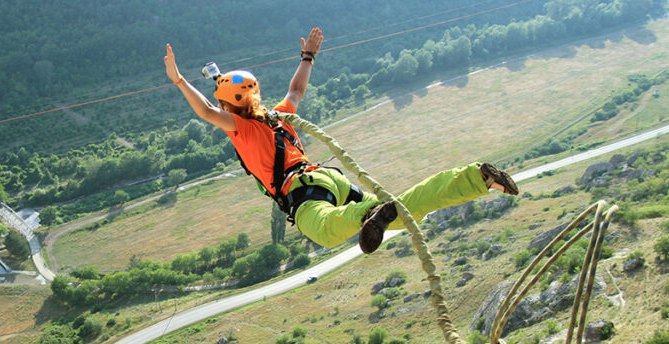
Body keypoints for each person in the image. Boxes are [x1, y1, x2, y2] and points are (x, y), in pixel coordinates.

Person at [163, 27, 518, 254]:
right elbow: (296, 89)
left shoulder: (242, 129)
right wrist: (308, 56)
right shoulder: (278, 117)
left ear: (230, 108)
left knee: (327, 232)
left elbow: (208, 111)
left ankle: (369, 213)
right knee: (404, 214)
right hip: (327, 178)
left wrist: (180, 81)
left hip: (302, 190)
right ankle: (476, 178)